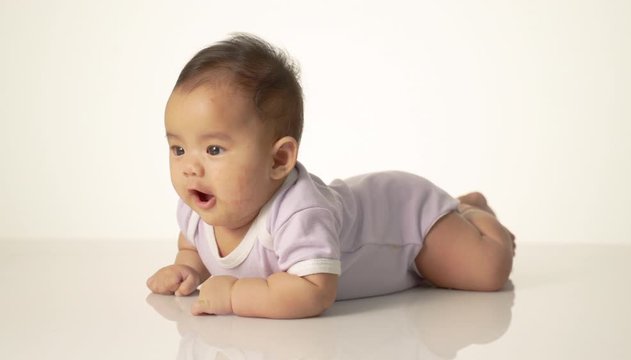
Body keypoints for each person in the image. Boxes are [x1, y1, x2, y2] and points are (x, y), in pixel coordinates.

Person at [147, 34, 516, 319]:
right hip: (368, 209)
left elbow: (313, 290)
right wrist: (188, 269)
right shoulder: (198, 208)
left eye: (213, 150)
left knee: (487, 271)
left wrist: (233, 296)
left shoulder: (297, 213)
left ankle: (472, 213)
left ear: (279, 159)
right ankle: (460, 208)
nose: (189, 167)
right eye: (178, 149)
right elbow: (194, 247)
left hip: (406, 224)